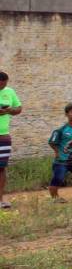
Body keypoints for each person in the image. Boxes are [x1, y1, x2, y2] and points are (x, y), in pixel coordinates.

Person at [0, 71, 20, 209]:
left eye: (4, 84)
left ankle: (0, 200)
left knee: (1, 168)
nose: (2, 87)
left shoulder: (10, 92)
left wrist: (8, 111)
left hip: (3, 136)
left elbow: (19, 109)